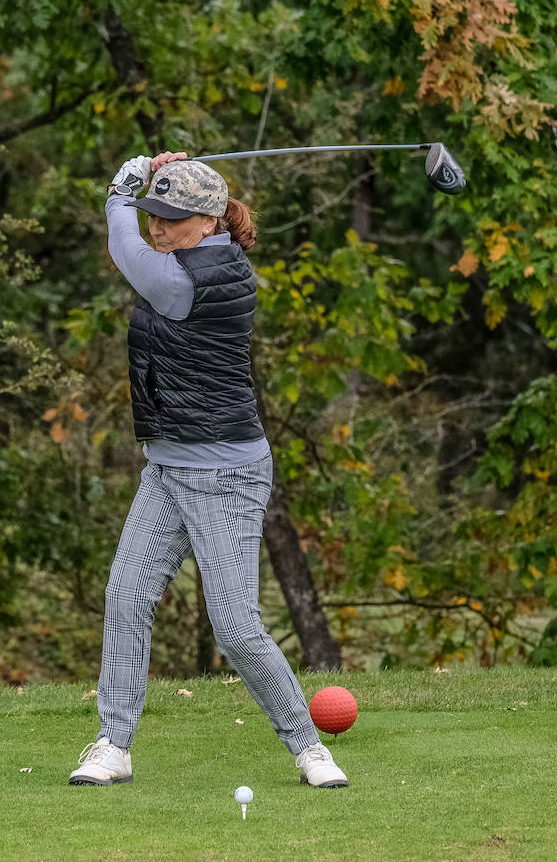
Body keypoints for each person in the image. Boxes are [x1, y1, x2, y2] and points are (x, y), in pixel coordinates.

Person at [67, 151, 348, 789]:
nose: (156, 228)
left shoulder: (205, 275)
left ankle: (310, 749)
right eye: (152, 215)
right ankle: (113, 744)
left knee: (236, 625)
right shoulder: (180, 260)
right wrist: (149, 184)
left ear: (209, 221)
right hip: (167, 470)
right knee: (126, 598)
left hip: (225, 476)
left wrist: (122, 188)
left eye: (170, 218)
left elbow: (123, 249)